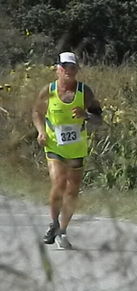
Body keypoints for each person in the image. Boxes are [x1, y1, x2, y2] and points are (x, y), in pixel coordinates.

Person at [32, 52, 103, 249]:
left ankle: (62, 231)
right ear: (58, 69)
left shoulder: (85, 92)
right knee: (59, 182)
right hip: (54, 144)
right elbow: (37, 112)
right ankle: (53, 223)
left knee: (72, 191)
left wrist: (86, 115)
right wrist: (41, 132)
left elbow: (99, 119)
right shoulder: (49, 90)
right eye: (64, 67)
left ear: (77, 70)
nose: (68, 71)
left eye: (72, 67)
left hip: (77, 146)